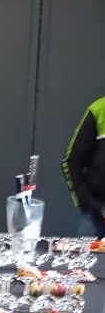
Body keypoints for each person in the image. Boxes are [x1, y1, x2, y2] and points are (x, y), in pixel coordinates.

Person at [63, 97, 105, 238]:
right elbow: (72, 161)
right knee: (87, 252)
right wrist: (87, 202)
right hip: (96, 219)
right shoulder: (99, 109)